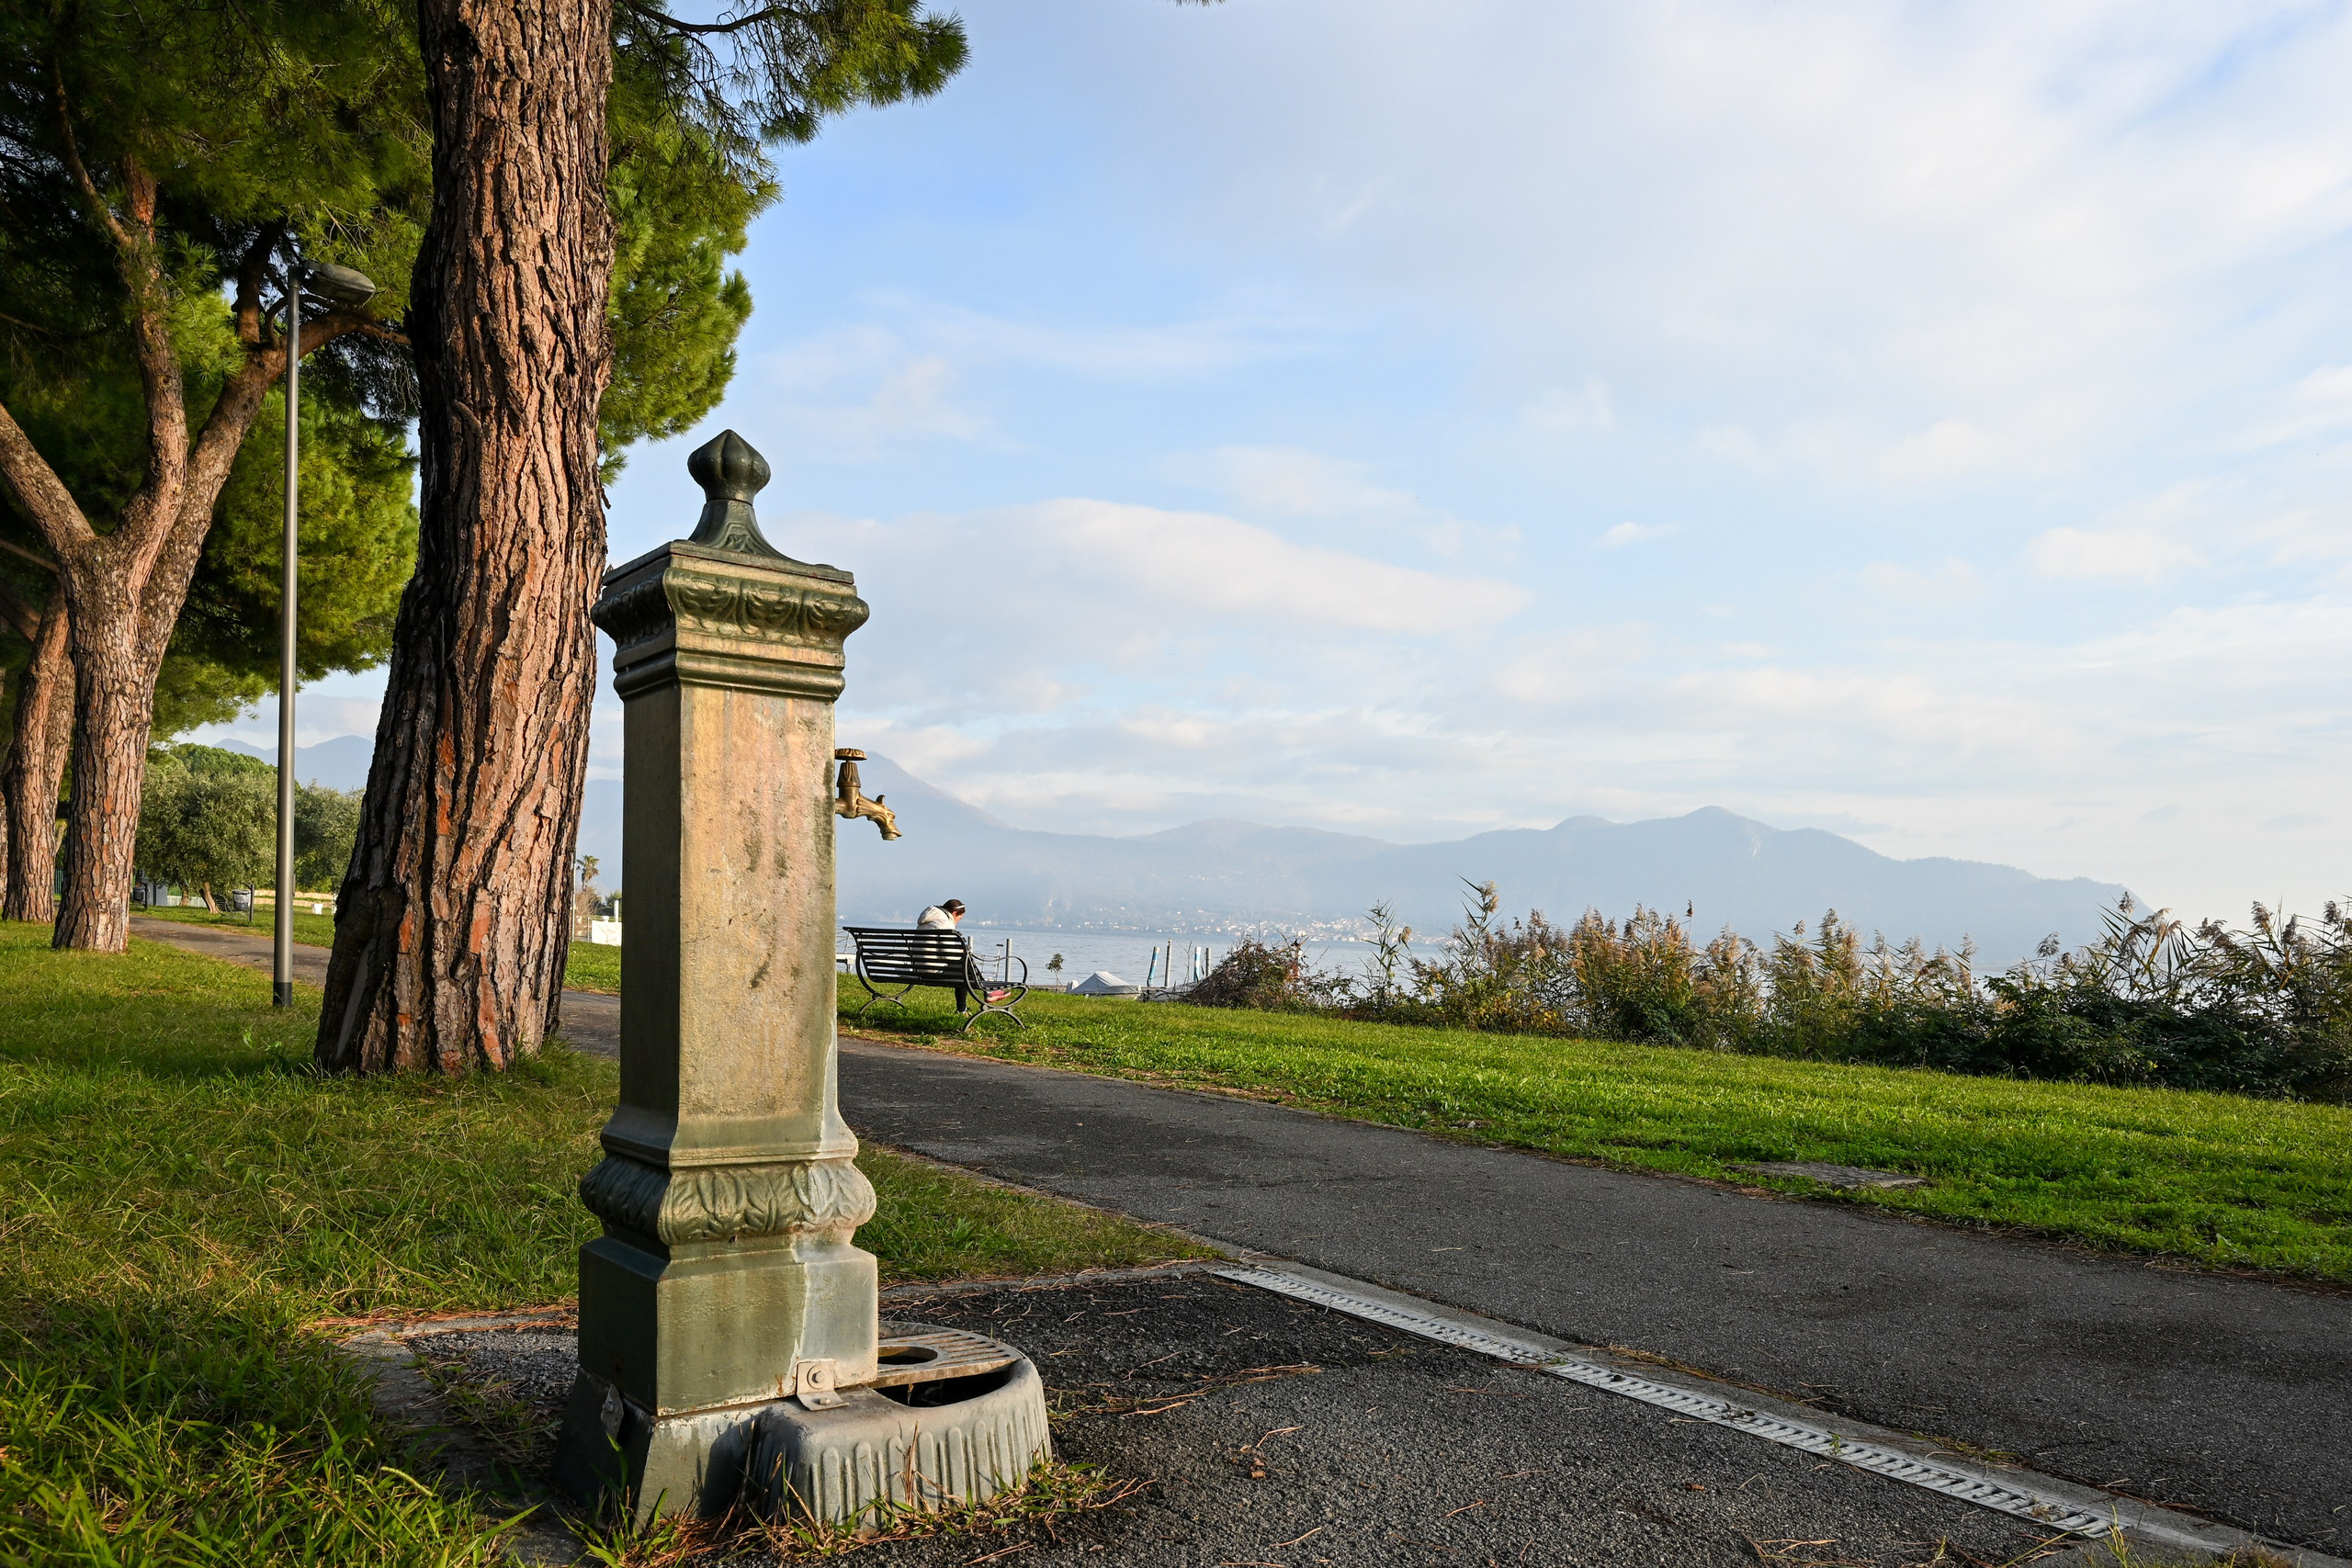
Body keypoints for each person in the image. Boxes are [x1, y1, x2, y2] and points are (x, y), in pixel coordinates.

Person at [912, 898, 1006, 1009]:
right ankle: (986, 993)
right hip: (932, 971)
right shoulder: (944, 923)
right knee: (964, 963)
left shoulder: (926, 922)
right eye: (959, 919)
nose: (957, 922)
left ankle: (977, 999)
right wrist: (961, 952)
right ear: (954, 913)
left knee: (964, 965)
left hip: (918, 969)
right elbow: (949, 955)